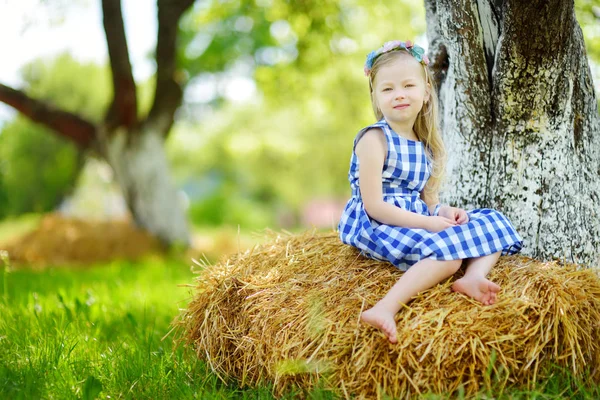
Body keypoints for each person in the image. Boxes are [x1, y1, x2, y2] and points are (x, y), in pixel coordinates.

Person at [338, 40, 523, 344]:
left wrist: (443, 212)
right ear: (376, 98)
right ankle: (385, 307)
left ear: (425, 93)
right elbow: (373, 205)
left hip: (415, 216)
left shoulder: (424, 143)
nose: (399, 94)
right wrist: (427, 222)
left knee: (492, 220)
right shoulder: (374, 139)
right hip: (378, 224)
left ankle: (474, 277)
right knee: (449, 257)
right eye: (387, 89)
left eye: (408, 85)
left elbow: (428, 202)